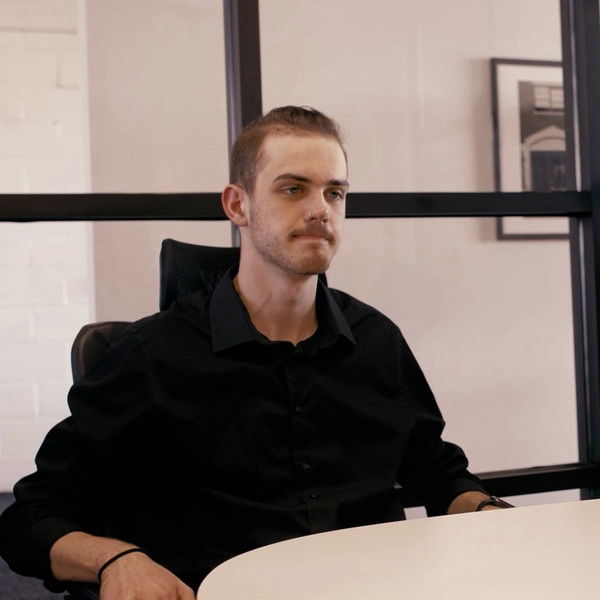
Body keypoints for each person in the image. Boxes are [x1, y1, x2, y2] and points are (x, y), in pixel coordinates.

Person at [0, 106, 510, 600]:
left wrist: (488, 514)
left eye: (334, 192)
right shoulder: (152, 354)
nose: (320, 209)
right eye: (293, 189)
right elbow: (30, 518)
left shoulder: (375, 339)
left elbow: (437, 472)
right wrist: (118, 560)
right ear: (237, 206)